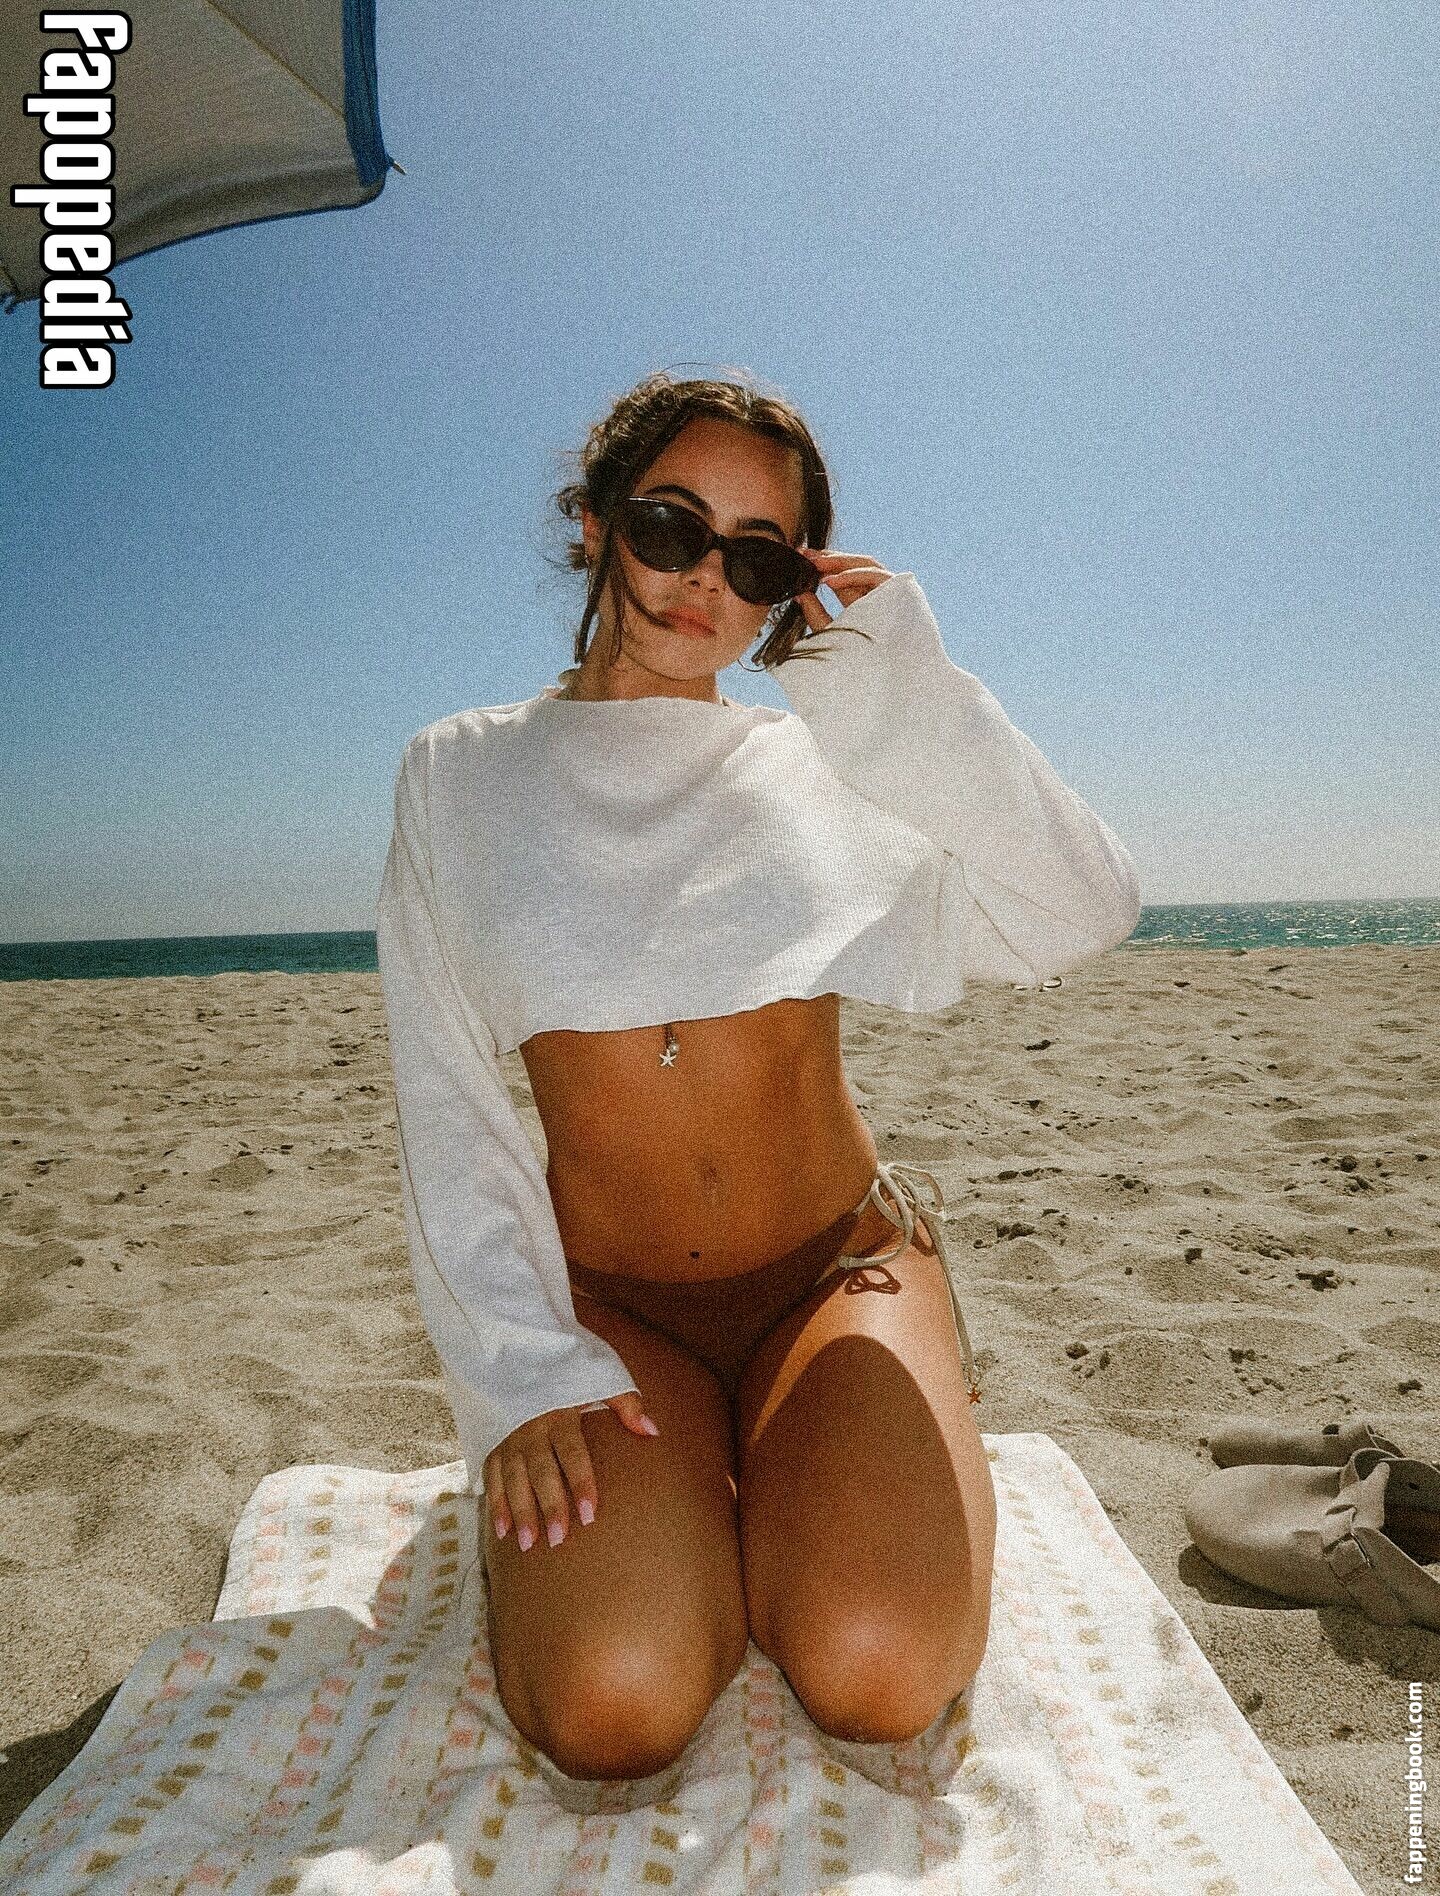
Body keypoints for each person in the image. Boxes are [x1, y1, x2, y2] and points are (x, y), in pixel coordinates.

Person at [375, 368, 1140, 1784]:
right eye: (672, 527)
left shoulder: (826, 767)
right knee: (613, 1702)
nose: (704, 581)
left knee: (878, 1672)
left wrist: (904, 691)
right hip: (611, 1315)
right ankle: (704, 1502)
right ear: (596, 520)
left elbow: (1080, 908)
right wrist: (520, 1377)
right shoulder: (459, 778)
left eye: (757, 557)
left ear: (793, 585)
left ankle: (825, 1448)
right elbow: (449, 1110)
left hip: (831, 1276)